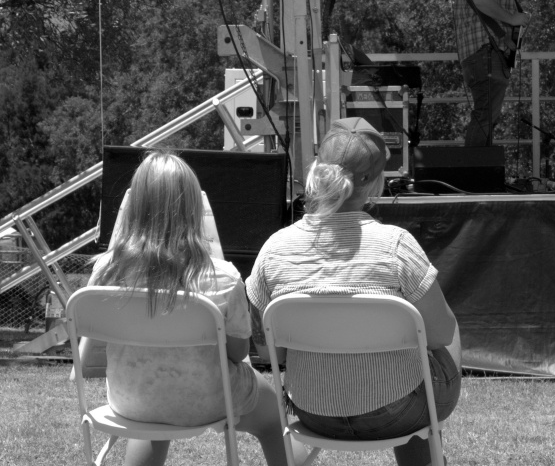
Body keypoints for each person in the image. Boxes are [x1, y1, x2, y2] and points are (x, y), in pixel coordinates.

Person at [247, 117, 461, 466]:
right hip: (398, 411)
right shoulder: (396, 246)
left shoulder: (274, 249)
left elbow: (270, 352)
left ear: (317, 171)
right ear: (376, 181)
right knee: (444, 330)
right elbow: (440, 334)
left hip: (311, 410)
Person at [79, 151, 288, 466]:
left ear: (135, 206)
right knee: (272, 417)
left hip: (130, 400)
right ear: (193, 208)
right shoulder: (222, 276)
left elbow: (94, 342)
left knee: (154, 402)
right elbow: (237, 352)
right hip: (207, 400)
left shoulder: (106, 271)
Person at [453, 0, 532, 147]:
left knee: (486, 116)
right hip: (485, 54)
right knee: (485, 116)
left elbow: (480, 9)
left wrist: (505, 37)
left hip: (480, 54)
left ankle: (481, 166)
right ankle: (474, 168)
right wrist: (512, 18)